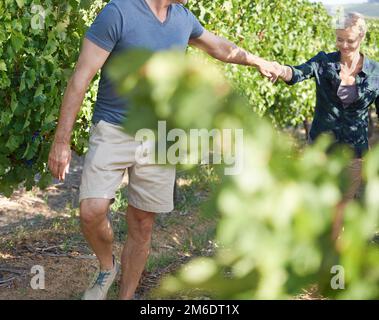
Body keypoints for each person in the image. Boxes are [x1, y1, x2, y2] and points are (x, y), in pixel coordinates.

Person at [48, 0, 282, 300]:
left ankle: (126, 296)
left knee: (143, 223)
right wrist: (61, 141)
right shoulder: (117, 12)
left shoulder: (183, 18)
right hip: (114, 128)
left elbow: (220, 48)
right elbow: (81, 78)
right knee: (91, 211)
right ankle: (108, 266)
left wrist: (258, 61)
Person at [272, 12, 379, 242]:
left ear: (361, 38)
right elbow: (298, 73)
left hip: (354, 154)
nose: (344, 45)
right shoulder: (323, 62)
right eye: (339, 39)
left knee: (341, 207)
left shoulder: (376, 73)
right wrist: (281, 70)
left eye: (350, 40)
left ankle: (332, 263)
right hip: (320, 151)